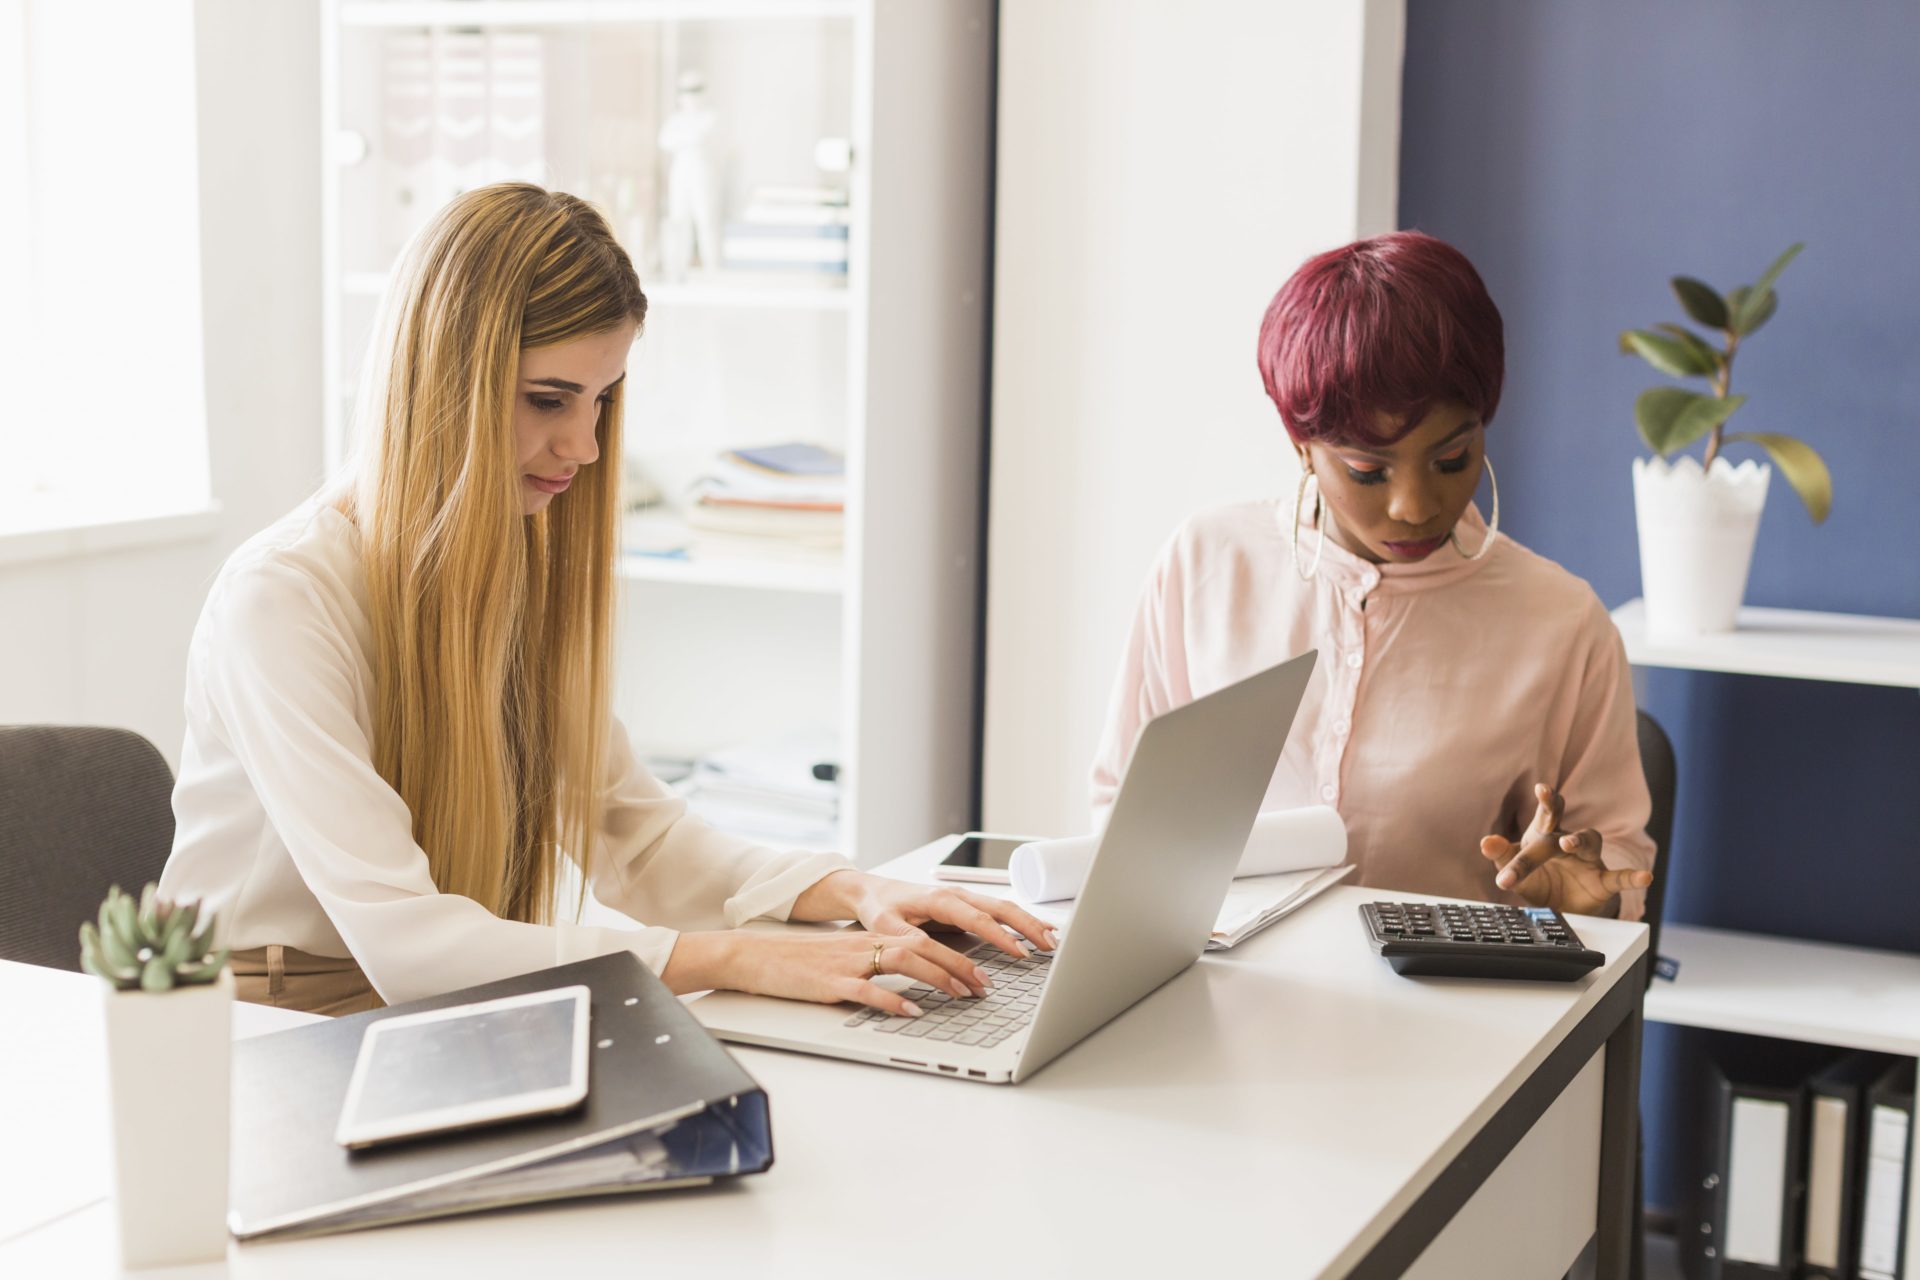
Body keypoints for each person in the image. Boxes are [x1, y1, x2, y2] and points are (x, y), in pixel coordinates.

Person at [159, 183, 1053, 1017]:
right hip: (263, 1023)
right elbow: (409, 942)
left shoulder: (501, 566)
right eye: (549, 399)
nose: (584, 447)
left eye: (602, 400)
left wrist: (852, 889)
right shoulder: (280, 601)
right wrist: (735, 959)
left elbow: (636, 837)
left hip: (446, 1011)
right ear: (443, 385)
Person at [1090, 231, 1657, 920]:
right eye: (1367, 470)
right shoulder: (1206, 564)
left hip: (1445, 1015)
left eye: (1451, 459)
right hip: (1216, 998)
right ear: (1301, 445)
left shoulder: (1562, 623)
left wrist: (1577, 905)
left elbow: (1615, 866)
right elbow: (1122, 809)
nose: (1414, 507)